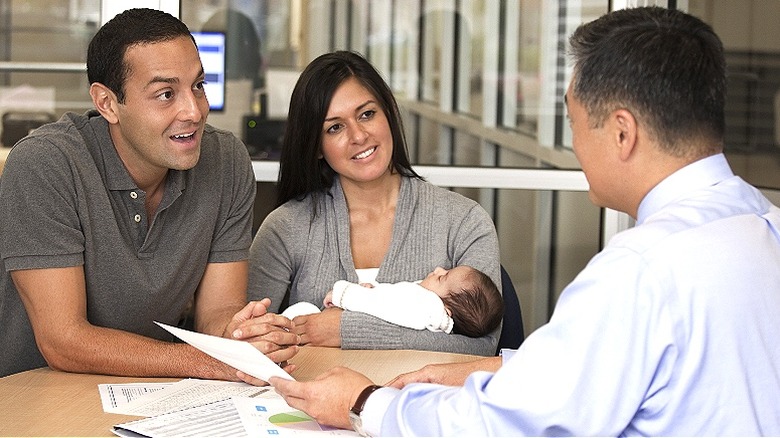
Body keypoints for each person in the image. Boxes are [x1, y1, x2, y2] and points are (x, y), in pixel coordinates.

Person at [267, 7, 780, 436]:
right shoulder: (763, 226)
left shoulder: (637, 273)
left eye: (575, 126)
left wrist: (364, 403)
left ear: (622, 133)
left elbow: (511, 423)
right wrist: (482, 367)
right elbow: (581, 373)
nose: (575, 149)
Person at [0, 8, 298, 379]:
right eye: (165, 94)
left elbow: (216, 316)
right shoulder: (46, 163)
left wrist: (243, 338)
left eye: (198, 86)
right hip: (36, 400)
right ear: (107, 103)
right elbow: (64, 340)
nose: (194, 111)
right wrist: (211, 361)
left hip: (150, 393)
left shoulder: (226, 160)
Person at [247, 50, 502, 356]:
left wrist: (344, 330)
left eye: (367, 114)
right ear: (315, 146)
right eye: (335, 127)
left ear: (389, 113)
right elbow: (248, 340)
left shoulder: (465, 221)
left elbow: (483, 347)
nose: (359, 136)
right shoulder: (285, 228)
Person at [322, 265, 503, 338]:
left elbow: (379, 304)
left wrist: (342, 293)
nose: (438, 269)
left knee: (299, 311)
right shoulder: (427, 306)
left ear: (446, 311)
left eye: (442, 278)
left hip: (334, 317)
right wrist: (373, 288)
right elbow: (392, 301)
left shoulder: (426, 306)